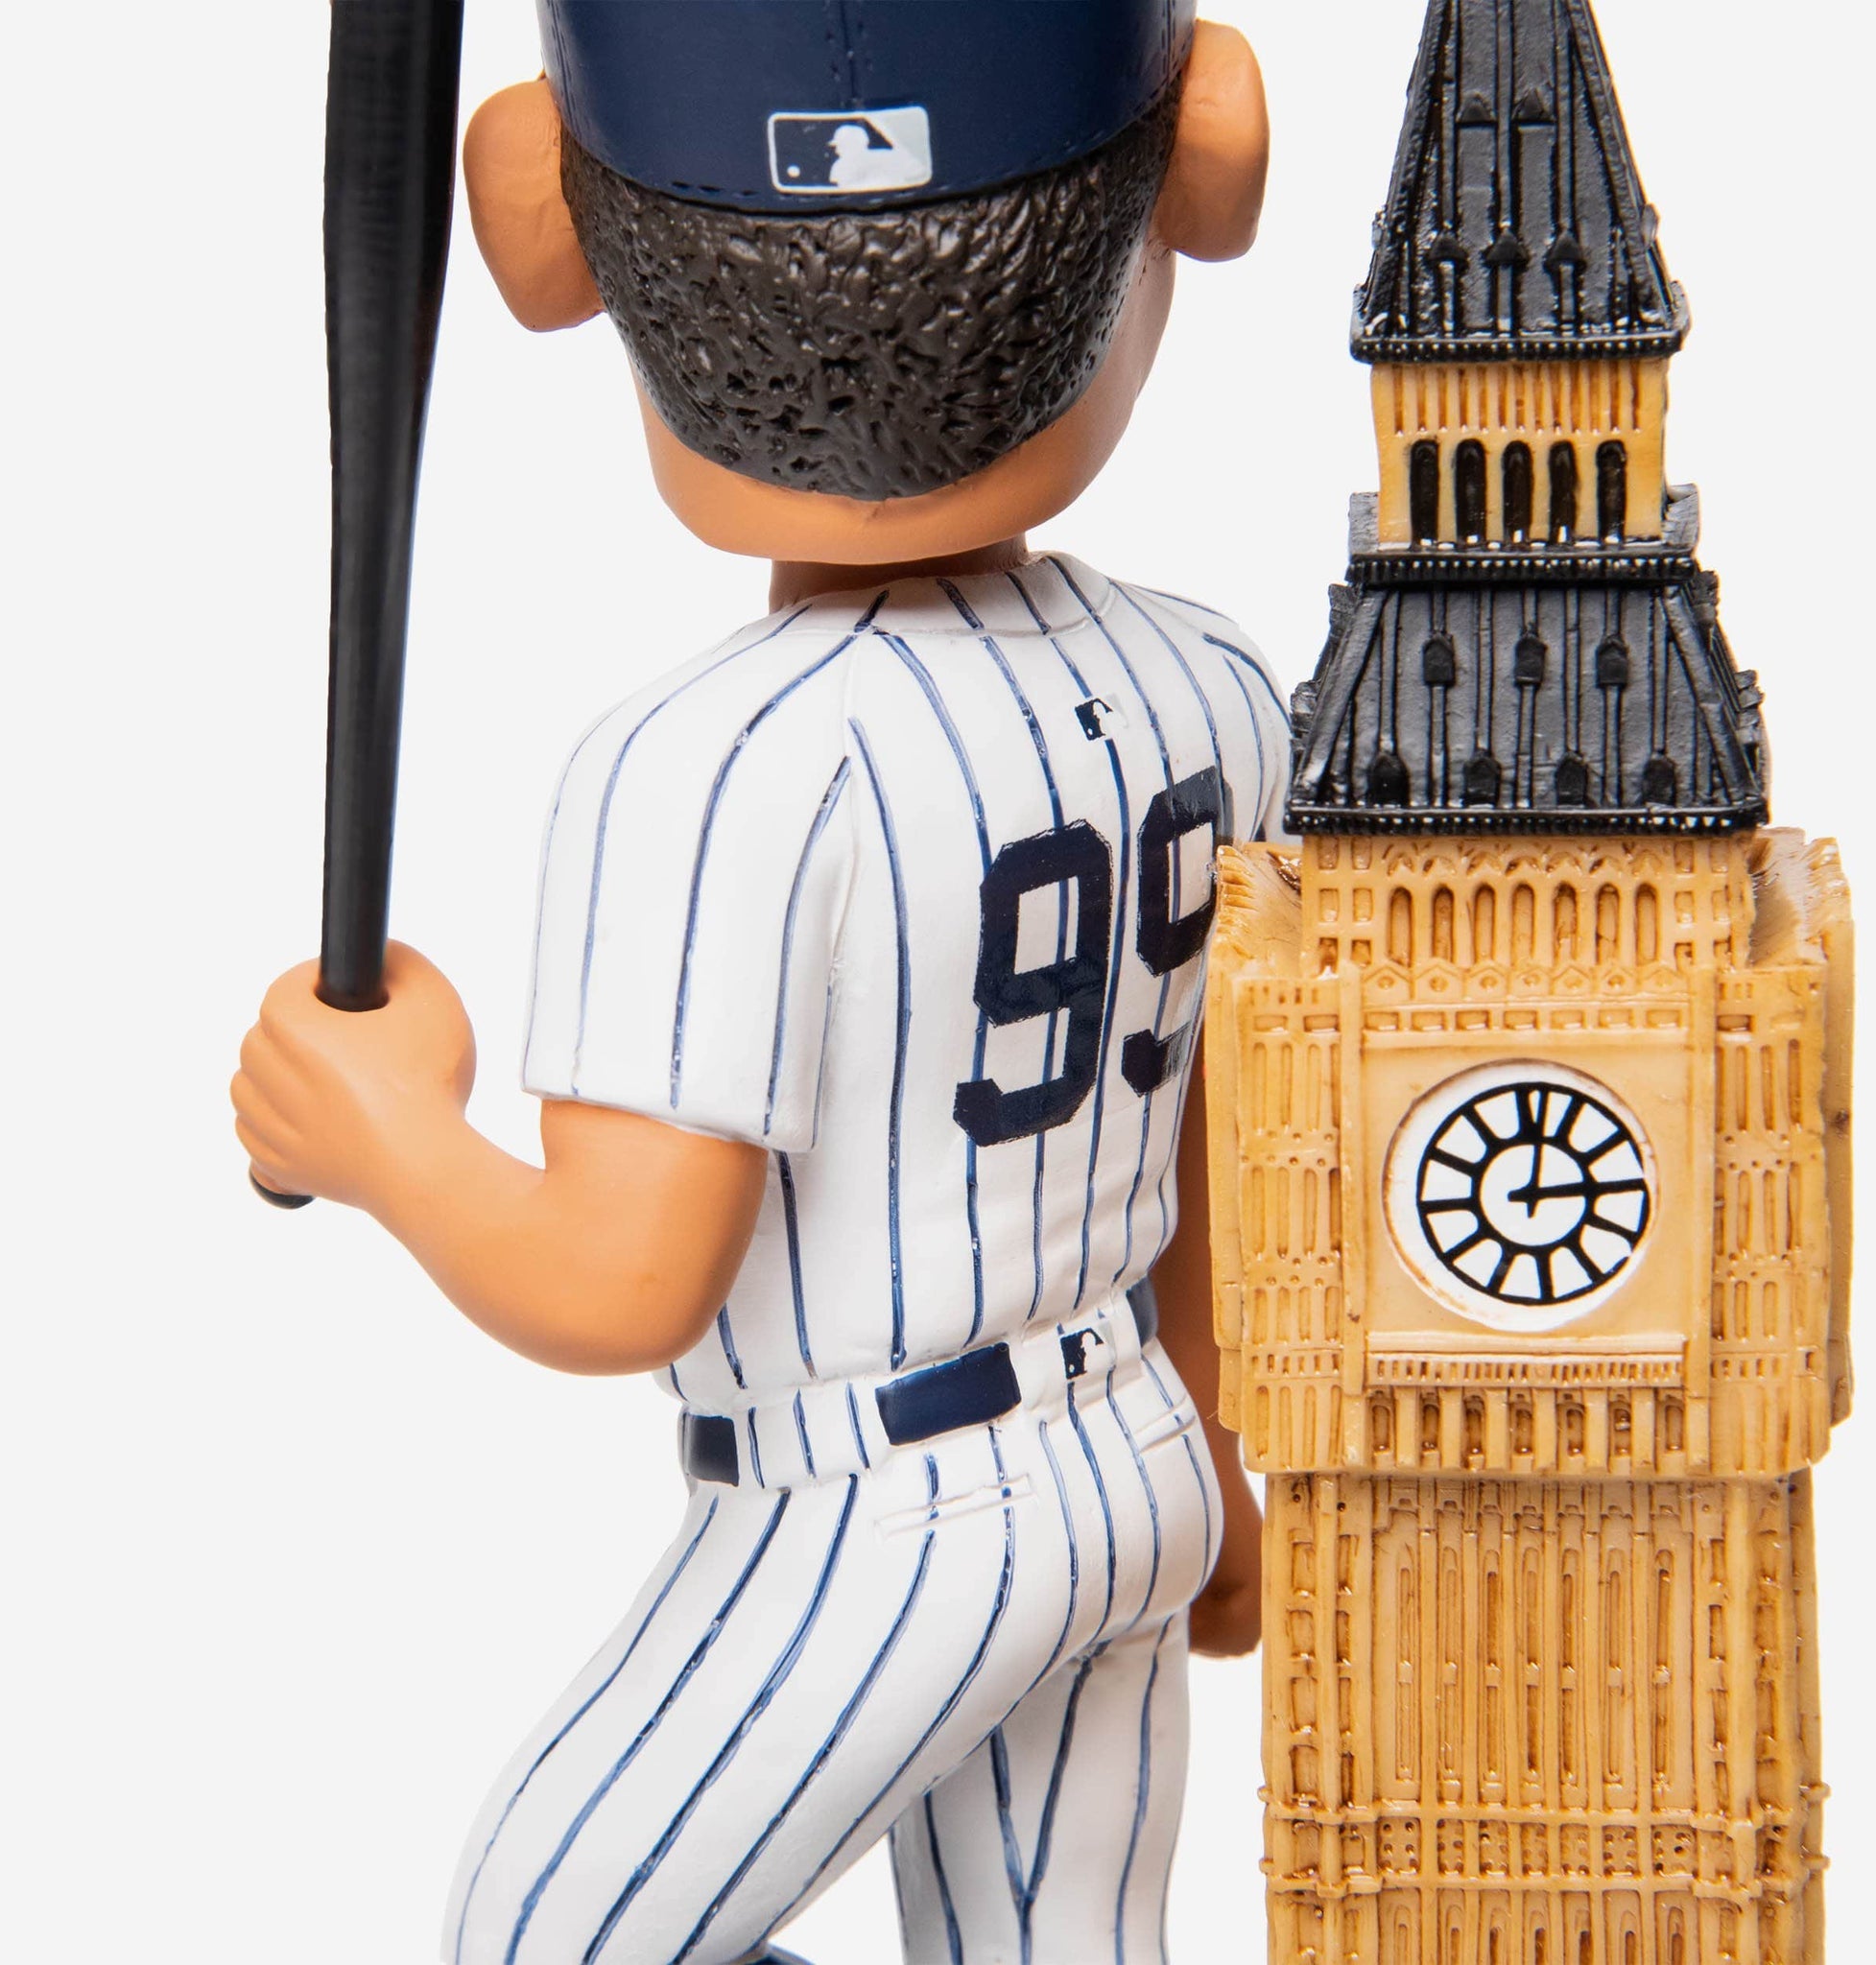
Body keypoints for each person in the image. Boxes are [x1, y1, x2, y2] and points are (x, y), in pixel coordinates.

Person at [233, 7, 1280, 1961]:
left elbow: (620, 1280)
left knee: (546, 1939)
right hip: (1132, 1447)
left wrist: (382, 1135)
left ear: (549, 231)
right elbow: (1224, 1143)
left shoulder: (712, 765)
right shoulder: (1213, 684)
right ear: (1200, 168)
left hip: (884, 1504)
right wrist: (1217, 1445)